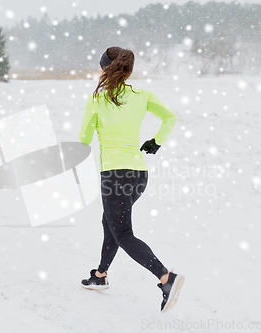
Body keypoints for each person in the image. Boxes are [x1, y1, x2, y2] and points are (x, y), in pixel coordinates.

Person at [78, 46, 184, 313]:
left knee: (123, 232)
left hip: (114, 176)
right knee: (111, 222)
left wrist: (95, 121)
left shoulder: (97, 99)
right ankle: (100, 276)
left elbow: (84, 138)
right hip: (138, 175)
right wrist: (156, 142)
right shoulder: (143, 95)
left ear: (105, 69)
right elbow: (170, 118)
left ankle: (166, 278)